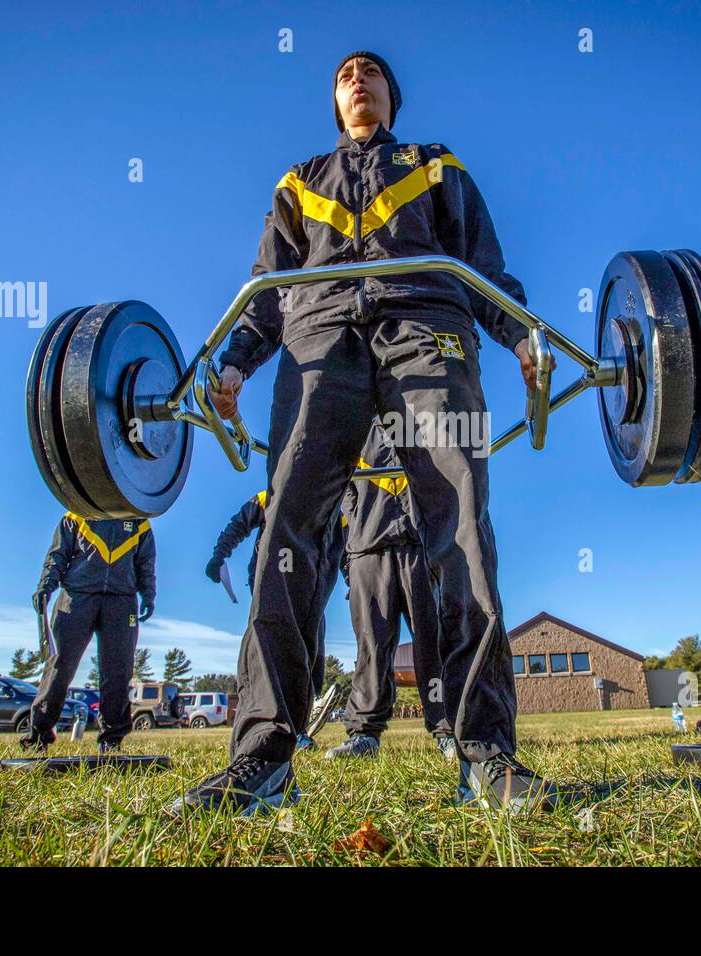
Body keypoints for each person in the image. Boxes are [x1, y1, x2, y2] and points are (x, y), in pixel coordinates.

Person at [170, 50, 556, 816]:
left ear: (391, 95)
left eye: (371, 72)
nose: (357, 78)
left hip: (428, 329)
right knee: (287, 534)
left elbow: (485, 263)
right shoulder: (298, 180)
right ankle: (262, 761)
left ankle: (485, 752)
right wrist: (237, 365)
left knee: (460, 529)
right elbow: (263, 290)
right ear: (334, 99)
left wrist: (520, 335)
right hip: (317, 344)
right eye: (345, 74)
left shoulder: (434, 163)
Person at [327, 418, 455, 761]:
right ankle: (364, 735)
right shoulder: (353, 430)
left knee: (433, 641)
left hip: (419, 546)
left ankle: (448, 730)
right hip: (367, 550)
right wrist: (350, 559)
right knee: (371, 644)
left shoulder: (420, 423)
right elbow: (346, 498)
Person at [205, 490, 344, 749]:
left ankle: (303, 719)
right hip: (269, 581)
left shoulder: (330, 500)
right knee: (268, 645)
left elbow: (343, 547)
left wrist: (352, 578)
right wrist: (219, 555)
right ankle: (260, 716)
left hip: (310, 586)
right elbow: (237, 525)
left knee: (313, 644)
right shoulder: (268, 495)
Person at [28, 513, 156, 752]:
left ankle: (111, 740)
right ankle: (38, 737)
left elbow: (146, 563)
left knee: (118, 670)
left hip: (121, 601)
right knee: (59, 666)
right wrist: (46, 585)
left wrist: (148, 594)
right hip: (76, 598)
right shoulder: (76, 515)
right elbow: (57, 555)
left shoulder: (140, 522)